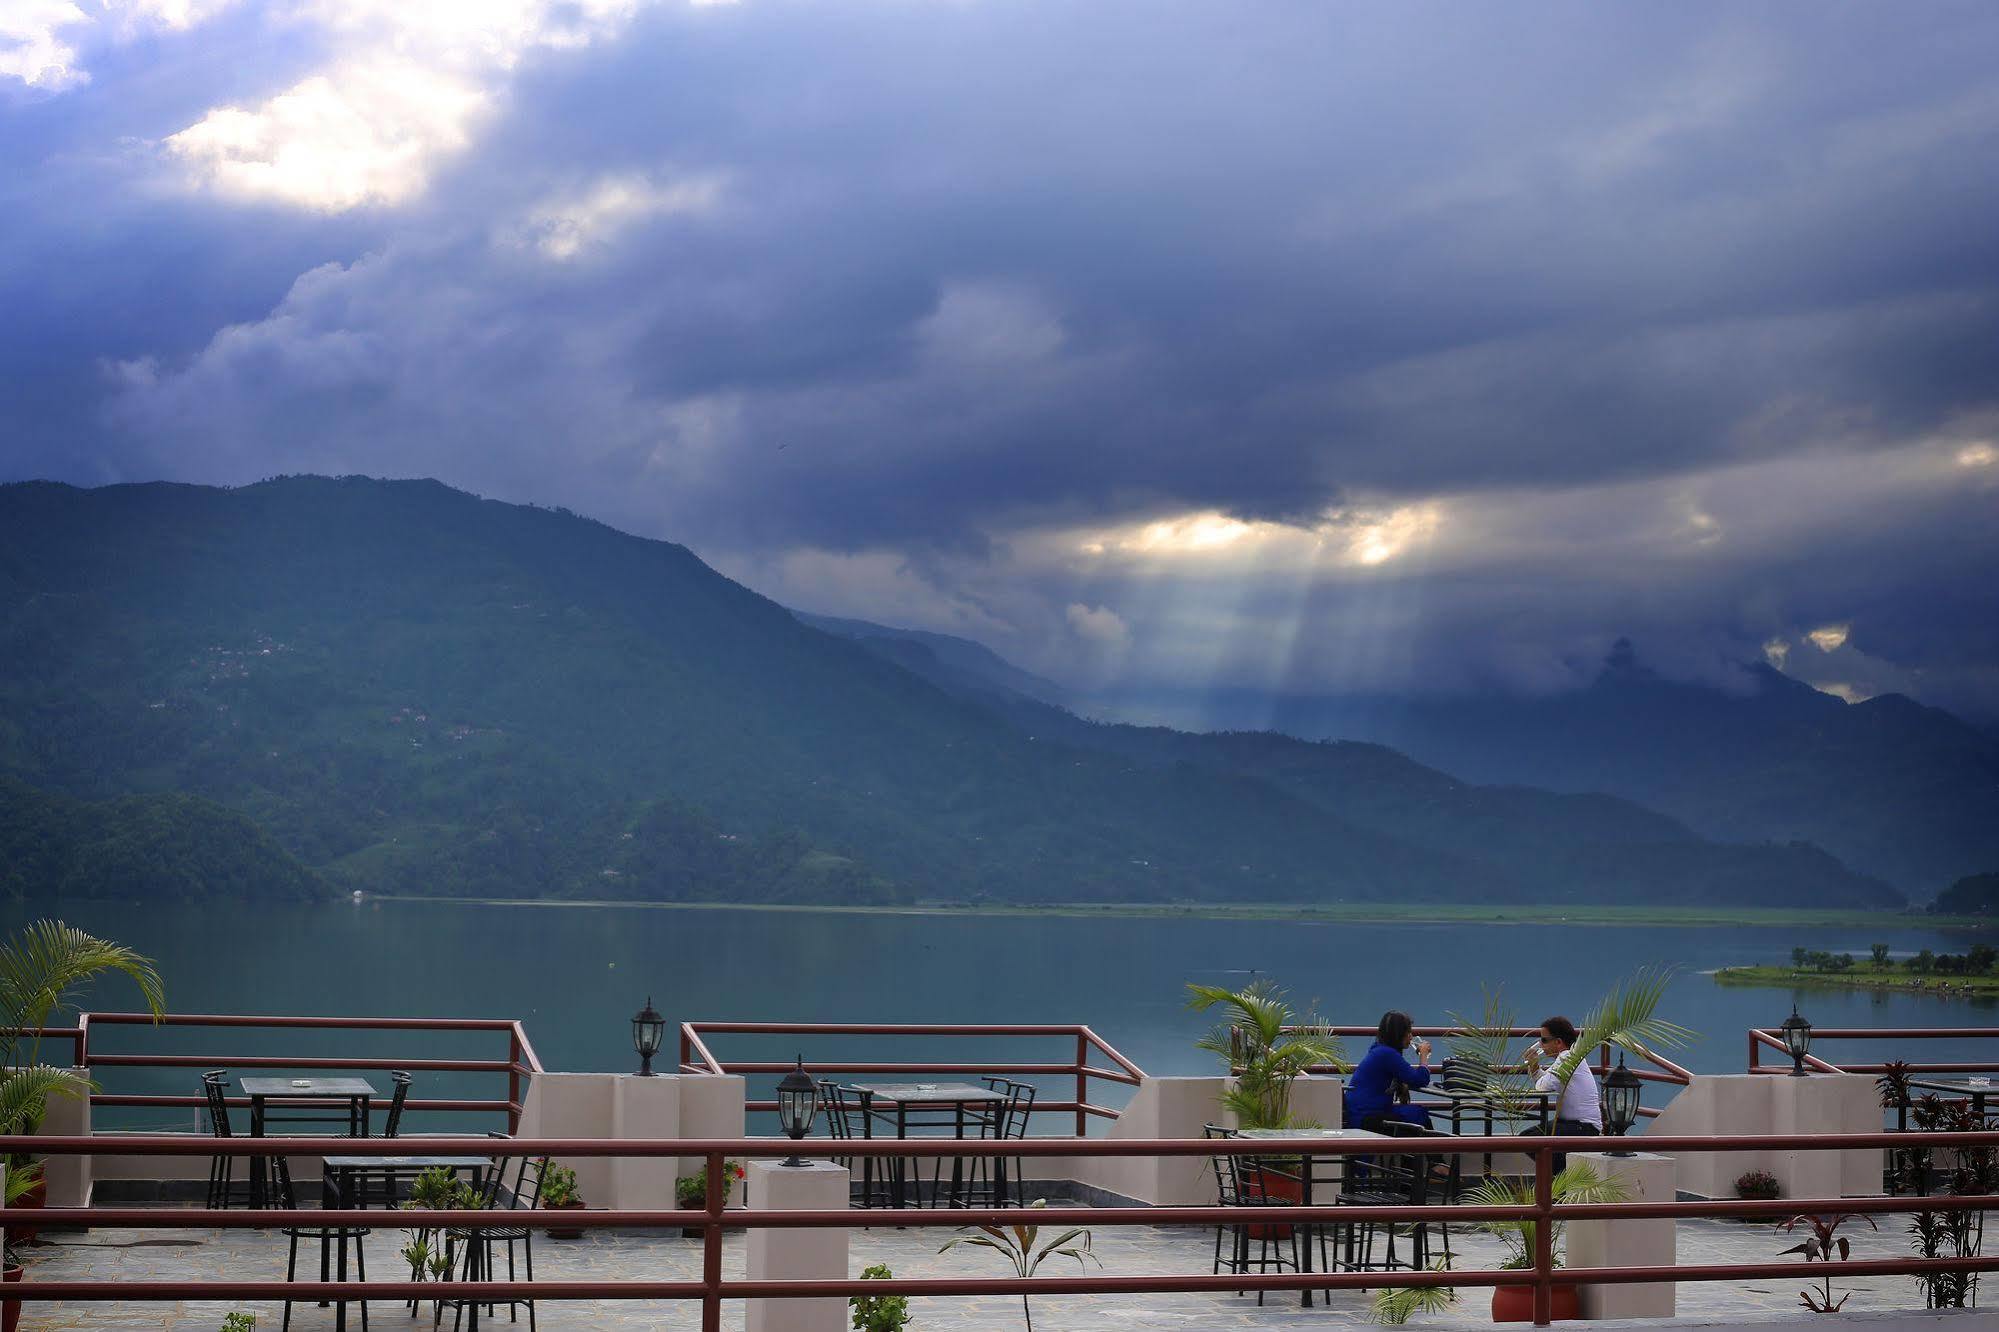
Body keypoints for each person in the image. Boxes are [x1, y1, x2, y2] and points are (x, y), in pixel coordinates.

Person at [1522, 1015, 1601, 1169]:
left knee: (1529, 1140)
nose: (1541, 1045)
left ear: (1558, 1042)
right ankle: (1562, 1177)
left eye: (1544, 1040)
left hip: (1582, 1127)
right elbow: (1546, 1079)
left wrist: (1533, 1064)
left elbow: (1542, 1087)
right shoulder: (1567, 1058)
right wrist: (1534, 1066)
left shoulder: (1566, 1059)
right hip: (1576, 1124)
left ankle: (1564, 1176)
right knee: (1529, 1138)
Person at [1344, 1010, 1434, 1130]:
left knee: (1415, 1113)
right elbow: (1420, 1079)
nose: (1411, 1037)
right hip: (1367, 1118)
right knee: (1418, 1114)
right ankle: (1438, 1147)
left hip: (1358, 1114)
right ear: (1399, 1034)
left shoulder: (1380, 1050)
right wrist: (1423, 1055)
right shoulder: (1387, 1054)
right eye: (1408, 1032)